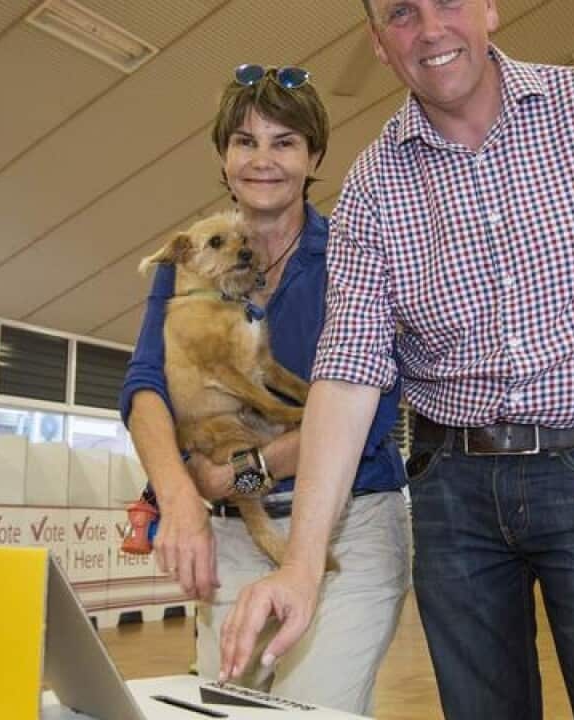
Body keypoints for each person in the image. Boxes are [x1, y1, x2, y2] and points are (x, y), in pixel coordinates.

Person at [219, 2, 574, 718]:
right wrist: (300, 566)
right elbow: (348, 374)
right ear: (380, 43)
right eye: (402, 14)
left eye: (449, 2)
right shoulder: (374, 188)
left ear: (489, 10)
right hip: (453, 493)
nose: (430, 28)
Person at [119, 64, 409, 715]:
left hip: (348, 528)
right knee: (230, 708)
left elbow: (370, 408)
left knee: (313, 708)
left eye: (285, 142)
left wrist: (243, 474)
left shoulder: (351, 256)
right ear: (223, 159)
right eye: (245, 142)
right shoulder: (191, 259)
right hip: (236, 539)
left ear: (313, 159)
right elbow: (145, 384)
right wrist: (179, 495)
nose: (263, 160)